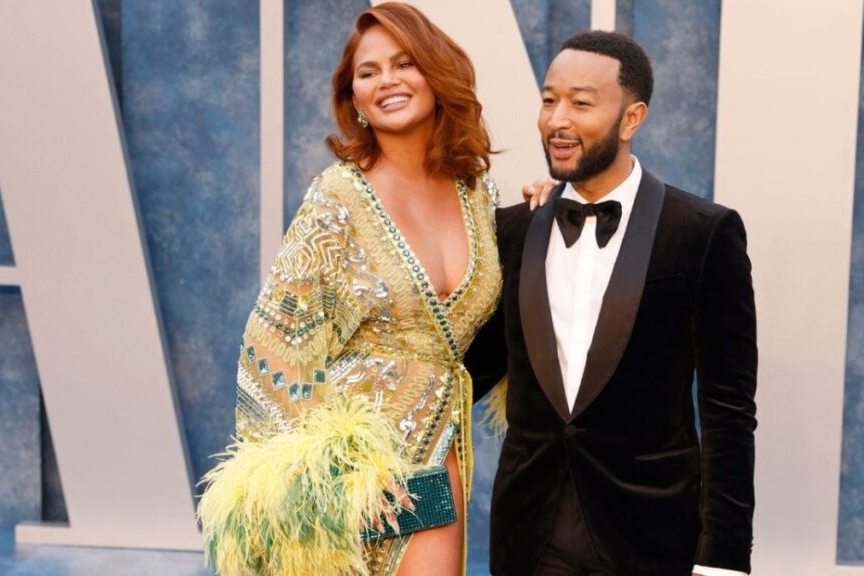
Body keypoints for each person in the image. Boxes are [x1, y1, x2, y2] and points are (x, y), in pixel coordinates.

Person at [196, 4, 502, 575]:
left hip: (436, 455)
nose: (387, 80)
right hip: (349, 479)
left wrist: (549, 202)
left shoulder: (477, 194)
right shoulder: (336, 197)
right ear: (355, 98)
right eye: (369, 71)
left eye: (404, 63)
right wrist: (335, 473)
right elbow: (273, 342)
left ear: (436, 73)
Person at [466, 31, 758, 575]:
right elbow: (467, 372)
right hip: (529, 536)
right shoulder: (512, 230)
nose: (557, 120)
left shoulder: (701, 233)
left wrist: (723, 558)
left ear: (631, 119)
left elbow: (729, 410)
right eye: (549, 100)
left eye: (581, 103)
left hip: (650, 536)